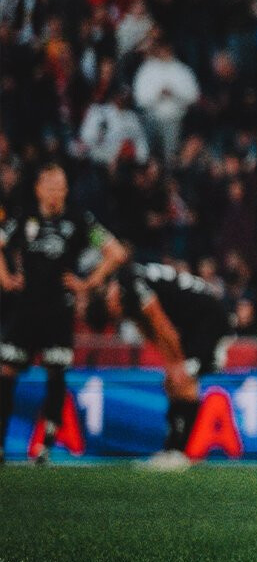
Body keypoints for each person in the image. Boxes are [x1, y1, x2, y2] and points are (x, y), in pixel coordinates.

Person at [0, 162, 130, 464]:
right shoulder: (23, 218)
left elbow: (117, 252)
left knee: (55, 375)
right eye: (51, 185)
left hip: (58, 312)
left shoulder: (79, 221)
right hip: (24, 310)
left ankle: (45, 446)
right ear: (38, 188)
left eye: (62, 186)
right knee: (5, 373)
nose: (57, 191)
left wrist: (88, 283)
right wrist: (5, 277)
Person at [100, 260, 230, 470]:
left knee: (185, 380)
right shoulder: (129, 287)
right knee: (174, 383)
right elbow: (152, 331)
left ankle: (179, 452)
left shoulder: (132, 283)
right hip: (191, 322)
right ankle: (171, 449)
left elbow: (162, 325)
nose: (115, 312)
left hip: (207, 319)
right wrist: (170, 363)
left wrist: (177, 363)